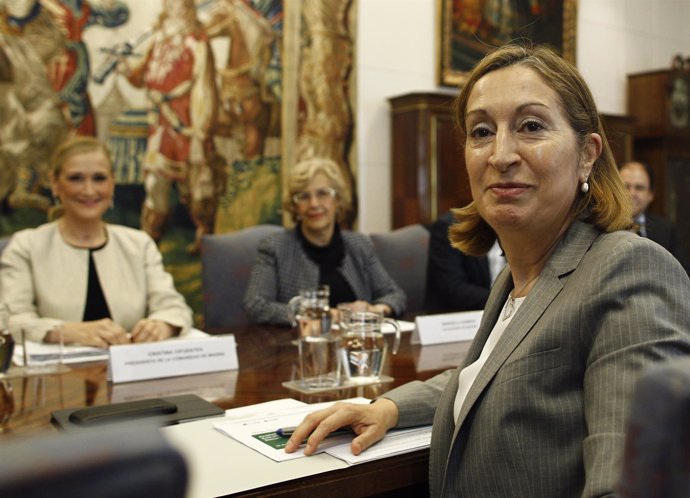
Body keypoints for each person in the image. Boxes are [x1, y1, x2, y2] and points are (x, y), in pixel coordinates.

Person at [283, 44, 690, 497]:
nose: (500, 154)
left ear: (588, 154)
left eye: (531, 126)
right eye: (481, 131)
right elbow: (493, 375)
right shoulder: (517, 278)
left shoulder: (631, 269)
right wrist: (389, 407)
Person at [0, 135, 193, 347]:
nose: (89, 190)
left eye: (99, 178)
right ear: (55, 184)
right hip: (59, 377)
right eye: (76, 178)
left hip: (131, 372)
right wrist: (66, 331)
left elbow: (174, 307)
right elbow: (10, 320)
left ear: (112, 184)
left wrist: (162, 325)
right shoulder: (25, 246)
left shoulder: (139, 245)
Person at [243, 157, 406, 326]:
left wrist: (374, 311)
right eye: (304, 196)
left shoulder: (359, 245)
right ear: (295, 206)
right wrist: (324, 314)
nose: (314, 204)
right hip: (299, 346)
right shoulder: (275, 247)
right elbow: (256, 306)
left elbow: (394, 295)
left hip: (355, 346)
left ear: (338, 199)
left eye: (323, 193)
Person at [120, 0, 225, 254]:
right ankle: (149, 245)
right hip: (160, 127)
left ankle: (205, 241)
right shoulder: (158, 40)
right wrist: (127, 70)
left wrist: (201, 130)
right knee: (156, 184)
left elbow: (205, 87)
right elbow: (143, 75)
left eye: (179, 3)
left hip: (188, 128)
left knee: (196, 188)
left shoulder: (197, 43)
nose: (174, 7)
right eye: (170, 3)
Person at [425, 210, 505, 312]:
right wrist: (505, 300)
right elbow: (453, 288)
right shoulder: (450, 227)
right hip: (456, 316)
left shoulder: (519, 227)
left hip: (503, 313)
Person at [619, 160, 689, 273]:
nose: (632, 193)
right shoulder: (601, 226)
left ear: (650, 195)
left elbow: (683, 272)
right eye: (625, 186)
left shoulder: (667, 230)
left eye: (639, 188)